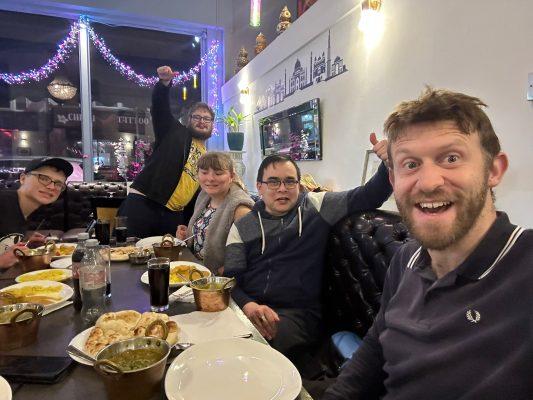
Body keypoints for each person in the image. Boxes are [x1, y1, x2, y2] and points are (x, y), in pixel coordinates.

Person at [322, 88, 533, 400]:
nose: (429, 182)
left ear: (493, 170)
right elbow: (375, 351)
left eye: (451, 158)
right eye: (411, 164)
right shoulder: (406, 257)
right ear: (393, 180)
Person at [223, 134, 391, 362]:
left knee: (251, 354)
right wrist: (249, 306)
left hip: (298, 314)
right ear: (259, 187)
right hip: (247, 308)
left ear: (299, 185)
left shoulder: (316, 206)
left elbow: (370, 196)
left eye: (290, 181)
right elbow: (230, 279)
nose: (282, 189)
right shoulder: (243, 226)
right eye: (273, 182)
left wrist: (388, 164)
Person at [119, 65, 215, 238]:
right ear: (188, 120)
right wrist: (164, 84)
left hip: (174, 215)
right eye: (197, 117)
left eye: (207, 119)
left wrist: (188, 222)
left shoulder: (206, 156)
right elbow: (159, 108)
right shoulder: (173, 131)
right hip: (144, 203)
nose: (202, 121)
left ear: (212, 125)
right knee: (130, 251)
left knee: (168, 254)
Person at [176, 152, 254, 274]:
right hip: (193, 270)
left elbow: (253, 252)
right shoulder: (204, 195)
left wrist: (226, 270)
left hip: (218, 279)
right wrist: (188, 235)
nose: (210, 178)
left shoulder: (241, 208)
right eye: (204, 172)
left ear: (231, 176)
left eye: (218, 173)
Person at [0, 157, 73, 269]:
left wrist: (26, 242)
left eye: (58, 184)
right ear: (23, 178)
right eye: (43, 178)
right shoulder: (3, 202)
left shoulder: (25, 212)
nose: (51, 187)